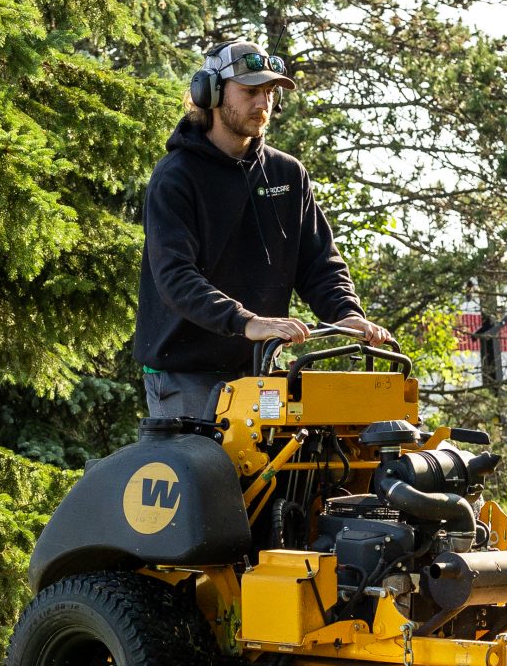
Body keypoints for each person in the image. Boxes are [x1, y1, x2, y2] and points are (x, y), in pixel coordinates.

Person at [134, 39, 393, 420]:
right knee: (205, 478)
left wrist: (345, 314)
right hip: (186, 375)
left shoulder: (287, 174)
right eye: (251, 91)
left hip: (260, 371)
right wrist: (246, 322)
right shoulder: (176, 177)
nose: (263, 103)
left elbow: (318, 264)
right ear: (211, 93)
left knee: (278, 480)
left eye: (270, 92)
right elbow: (175, 277)